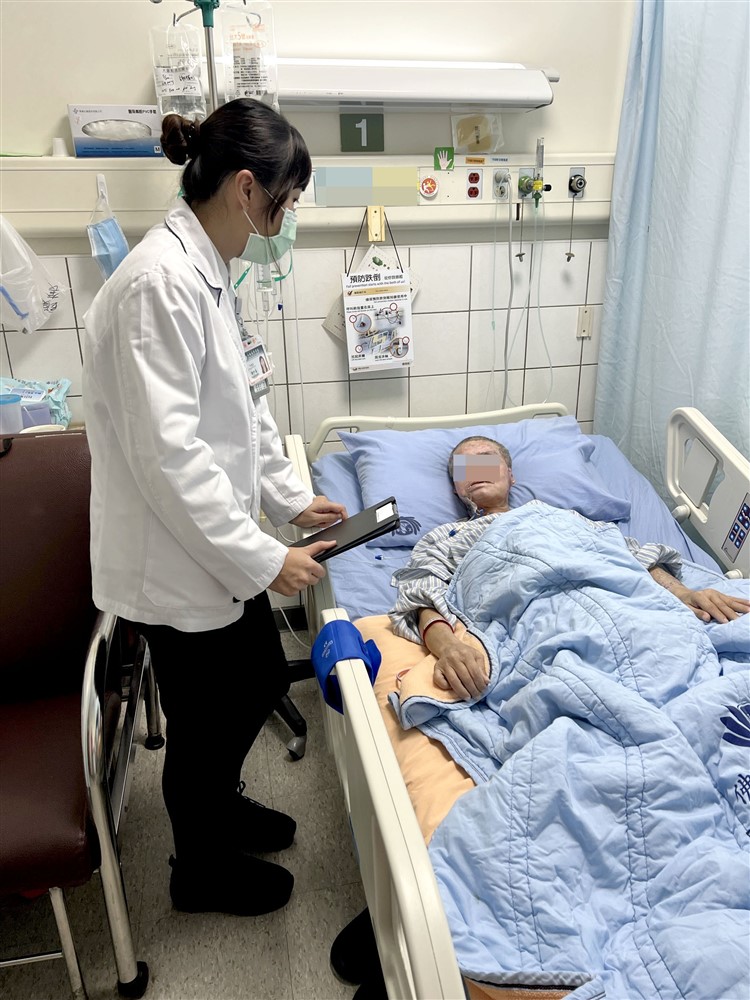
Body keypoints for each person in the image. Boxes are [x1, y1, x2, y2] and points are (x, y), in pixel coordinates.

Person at [82, 98, 348, 917]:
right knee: (208, 715)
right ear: (244, 188)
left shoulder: (209, 271)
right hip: (170, 558)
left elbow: (244, 412)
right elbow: (172, 462)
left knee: (256, 679)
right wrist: (266, 558)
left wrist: (292, 501)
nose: (285, 220)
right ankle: (196, 868)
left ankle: (219, 808)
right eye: (285, 201)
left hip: (209, 544)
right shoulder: (158, 285)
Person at [389, 435, 750, 700]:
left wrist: (683, 594)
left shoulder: (563, 517)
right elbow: (420, 594)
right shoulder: (445, 537)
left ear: (510, 476)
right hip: (539, 624)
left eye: (485, 460)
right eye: (464, 468)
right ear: (457, 487)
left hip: (620, 606)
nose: (476, 471)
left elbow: (627, 555)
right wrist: (448, 647)